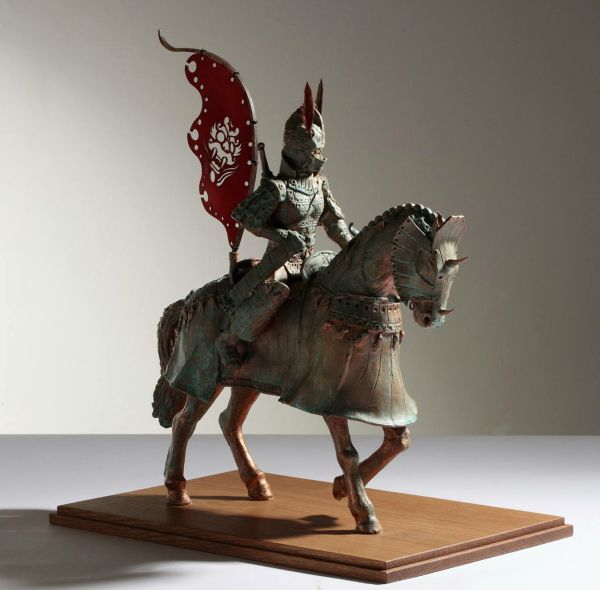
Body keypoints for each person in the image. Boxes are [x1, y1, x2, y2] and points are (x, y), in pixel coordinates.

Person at [221, 82, 354, 368]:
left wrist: (352, 247)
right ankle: (230, 338)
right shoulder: (278, 188)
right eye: (311, 152)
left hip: (313, 260)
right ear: (295, 149)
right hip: (281, 261)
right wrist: (282, 235)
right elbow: (246, 217)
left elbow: (333, 223)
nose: (315, 157)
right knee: (274, 292)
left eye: (317, 151)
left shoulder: (320, 185)